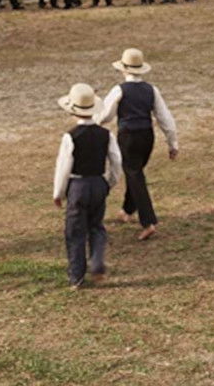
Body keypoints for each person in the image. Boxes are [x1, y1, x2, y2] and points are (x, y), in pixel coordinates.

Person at [94, 48, 178, 241]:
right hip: (147, 137)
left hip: (128, 136)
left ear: (123, 70)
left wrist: (94, 124)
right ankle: (127, 210)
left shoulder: (119, 90)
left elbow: (106, 115)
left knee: (134, 174)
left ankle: (148, 221)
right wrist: (173, 144)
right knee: (135, 171)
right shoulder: (152, 90)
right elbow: (166, 119)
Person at [53, 83, 123, 289]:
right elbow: (116, 161)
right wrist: (110, 182)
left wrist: (58, 192)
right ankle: (98, 261)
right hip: (98, 182)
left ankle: (77, 276)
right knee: (96, 226)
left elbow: (63, 167)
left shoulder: (70, 136)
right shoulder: (106, 134)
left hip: (78, 185)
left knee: (75, 231)